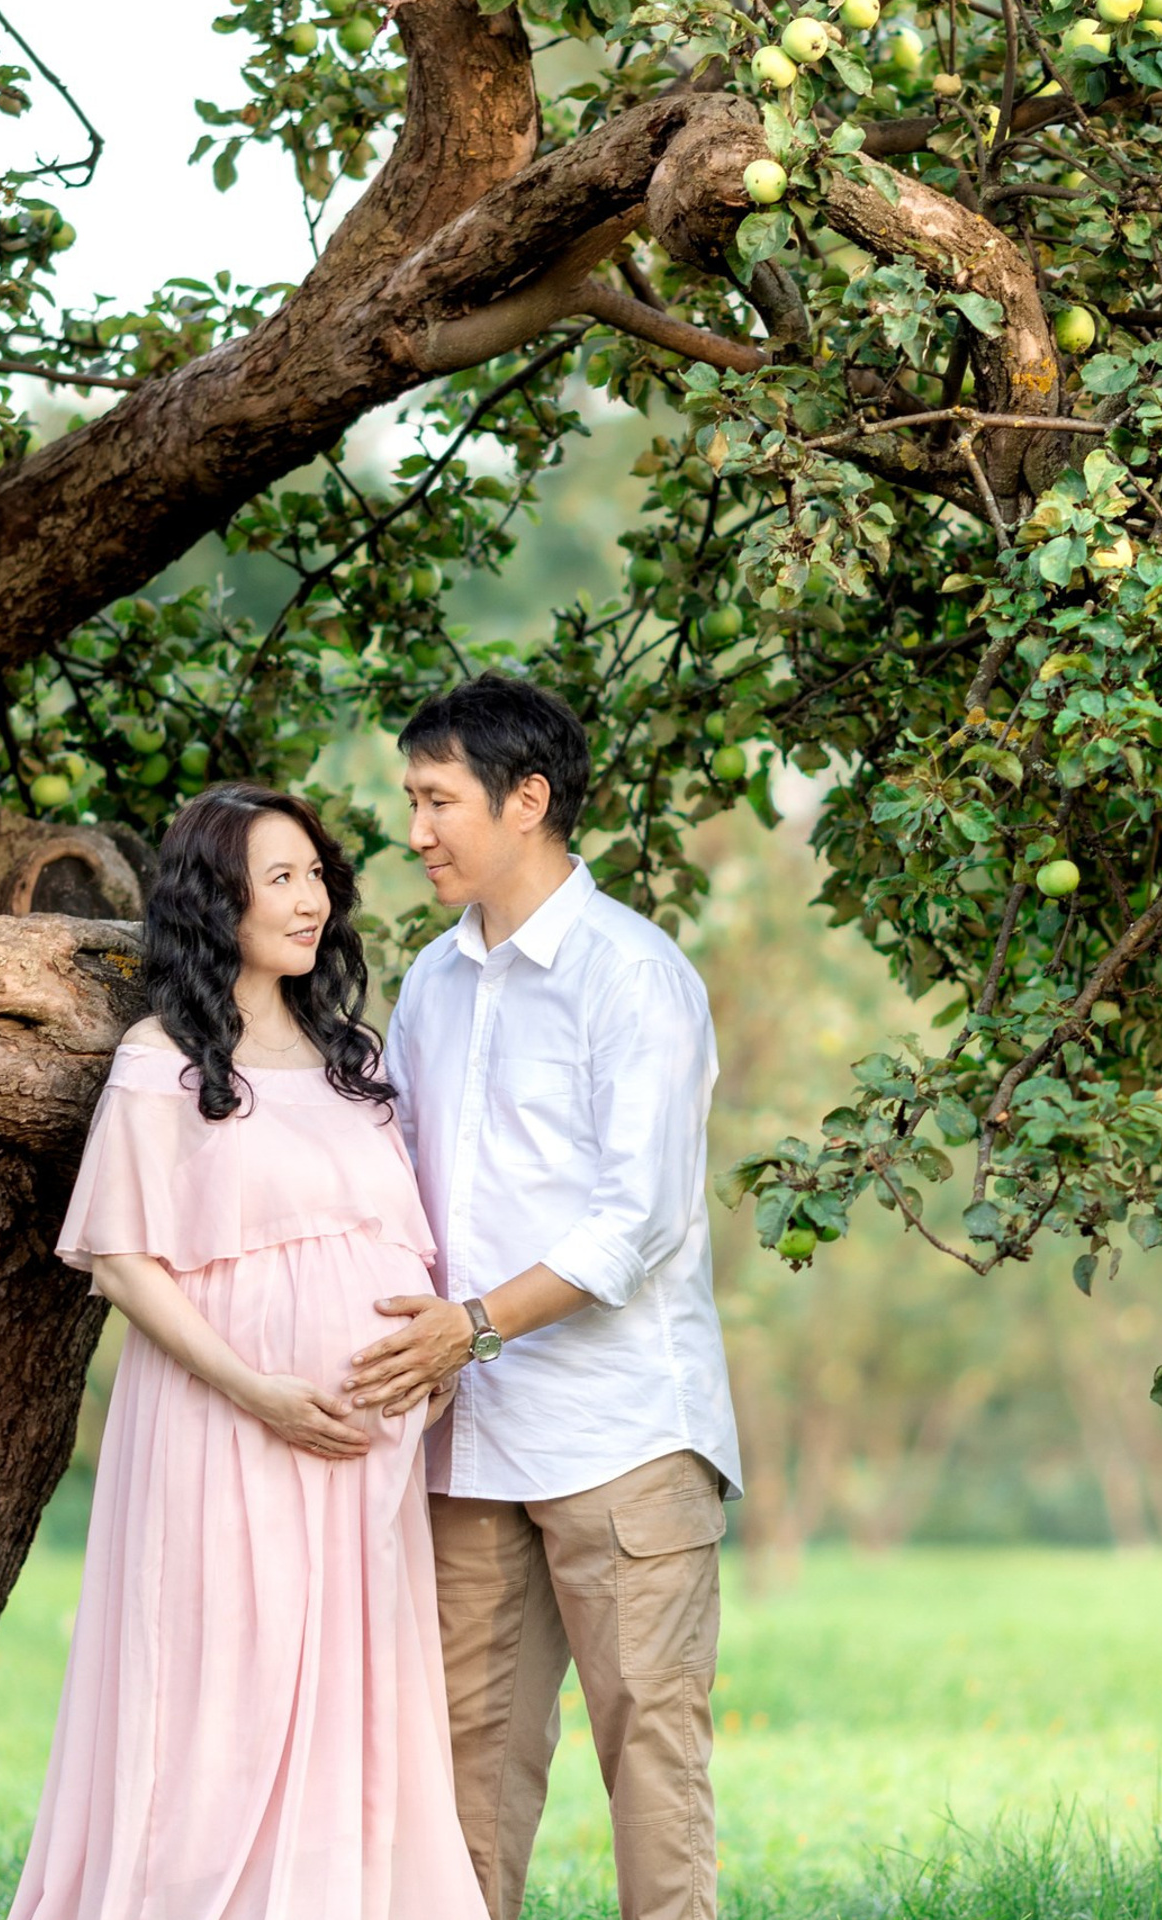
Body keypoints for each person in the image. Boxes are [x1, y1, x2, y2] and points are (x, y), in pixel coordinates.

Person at [8, 784, 486, 1920]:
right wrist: (255, 1389)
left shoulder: (354, 1056)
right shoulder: (160, 1060)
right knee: (220, 1703)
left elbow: (401, 1243)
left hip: (359, 1456)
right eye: (280, 878)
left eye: (316, 873)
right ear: (216, 901)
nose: (311, 898)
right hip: (222, 1431)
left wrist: (432, 1369)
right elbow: (126, 1262)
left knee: (348, 1714)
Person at [343, 675, 742, 1920]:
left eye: (437, 799)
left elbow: (638, 1220)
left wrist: (471, 1327)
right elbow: (392, 1180)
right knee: (466, 1770)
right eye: (410, 800)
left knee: (653, 1761)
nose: (415, 830)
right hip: (470, 1448)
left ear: (528, 800)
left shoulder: (636, 976)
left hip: (623, 1435)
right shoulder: (431, 984)